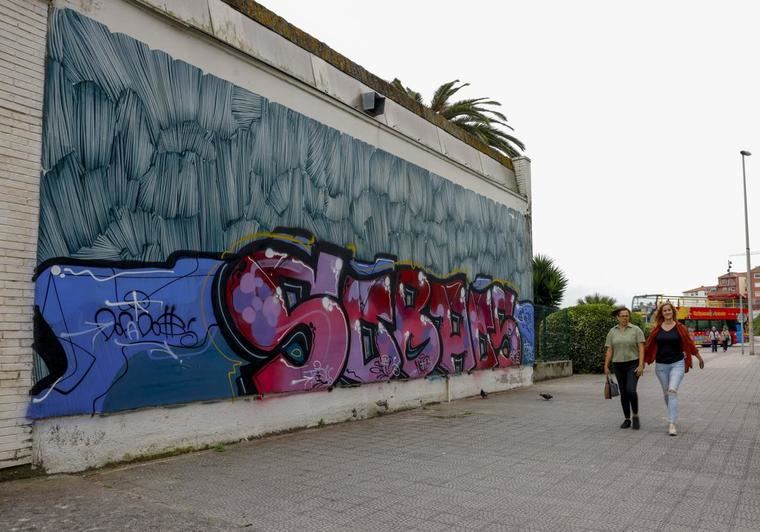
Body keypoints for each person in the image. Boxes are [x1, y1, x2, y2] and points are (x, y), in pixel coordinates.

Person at [644, 302, 705, 436]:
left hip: (677, 364)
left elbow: (689, 343)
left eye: (669, 310)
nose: (667, 312)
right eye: (664, 310)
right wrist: (641, 362)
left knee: (672, 391)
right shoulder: (657, 329)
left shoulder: (680, 327)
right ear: (662, 313)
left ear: (673, 312)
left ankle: (672, 423)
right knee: (667, 393)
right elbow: (648, 346)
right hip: (661, 366)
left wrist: (699, 357)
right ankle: (672, 411)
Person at [604, 306, 645, 430]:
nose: (625, 318)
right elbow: (610, 349)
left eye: (627, 315)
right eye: (622, 316)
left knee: (631, 390)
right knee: (623, 393)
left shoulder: (636, 330)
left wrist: (641, 365)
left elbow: (641, 348)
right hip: (618, 365)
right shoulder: (612, 331)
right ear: (617, 317)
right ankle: (627, 418)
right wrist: (606, 365)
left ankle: (636, 415)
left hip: (633, 364)